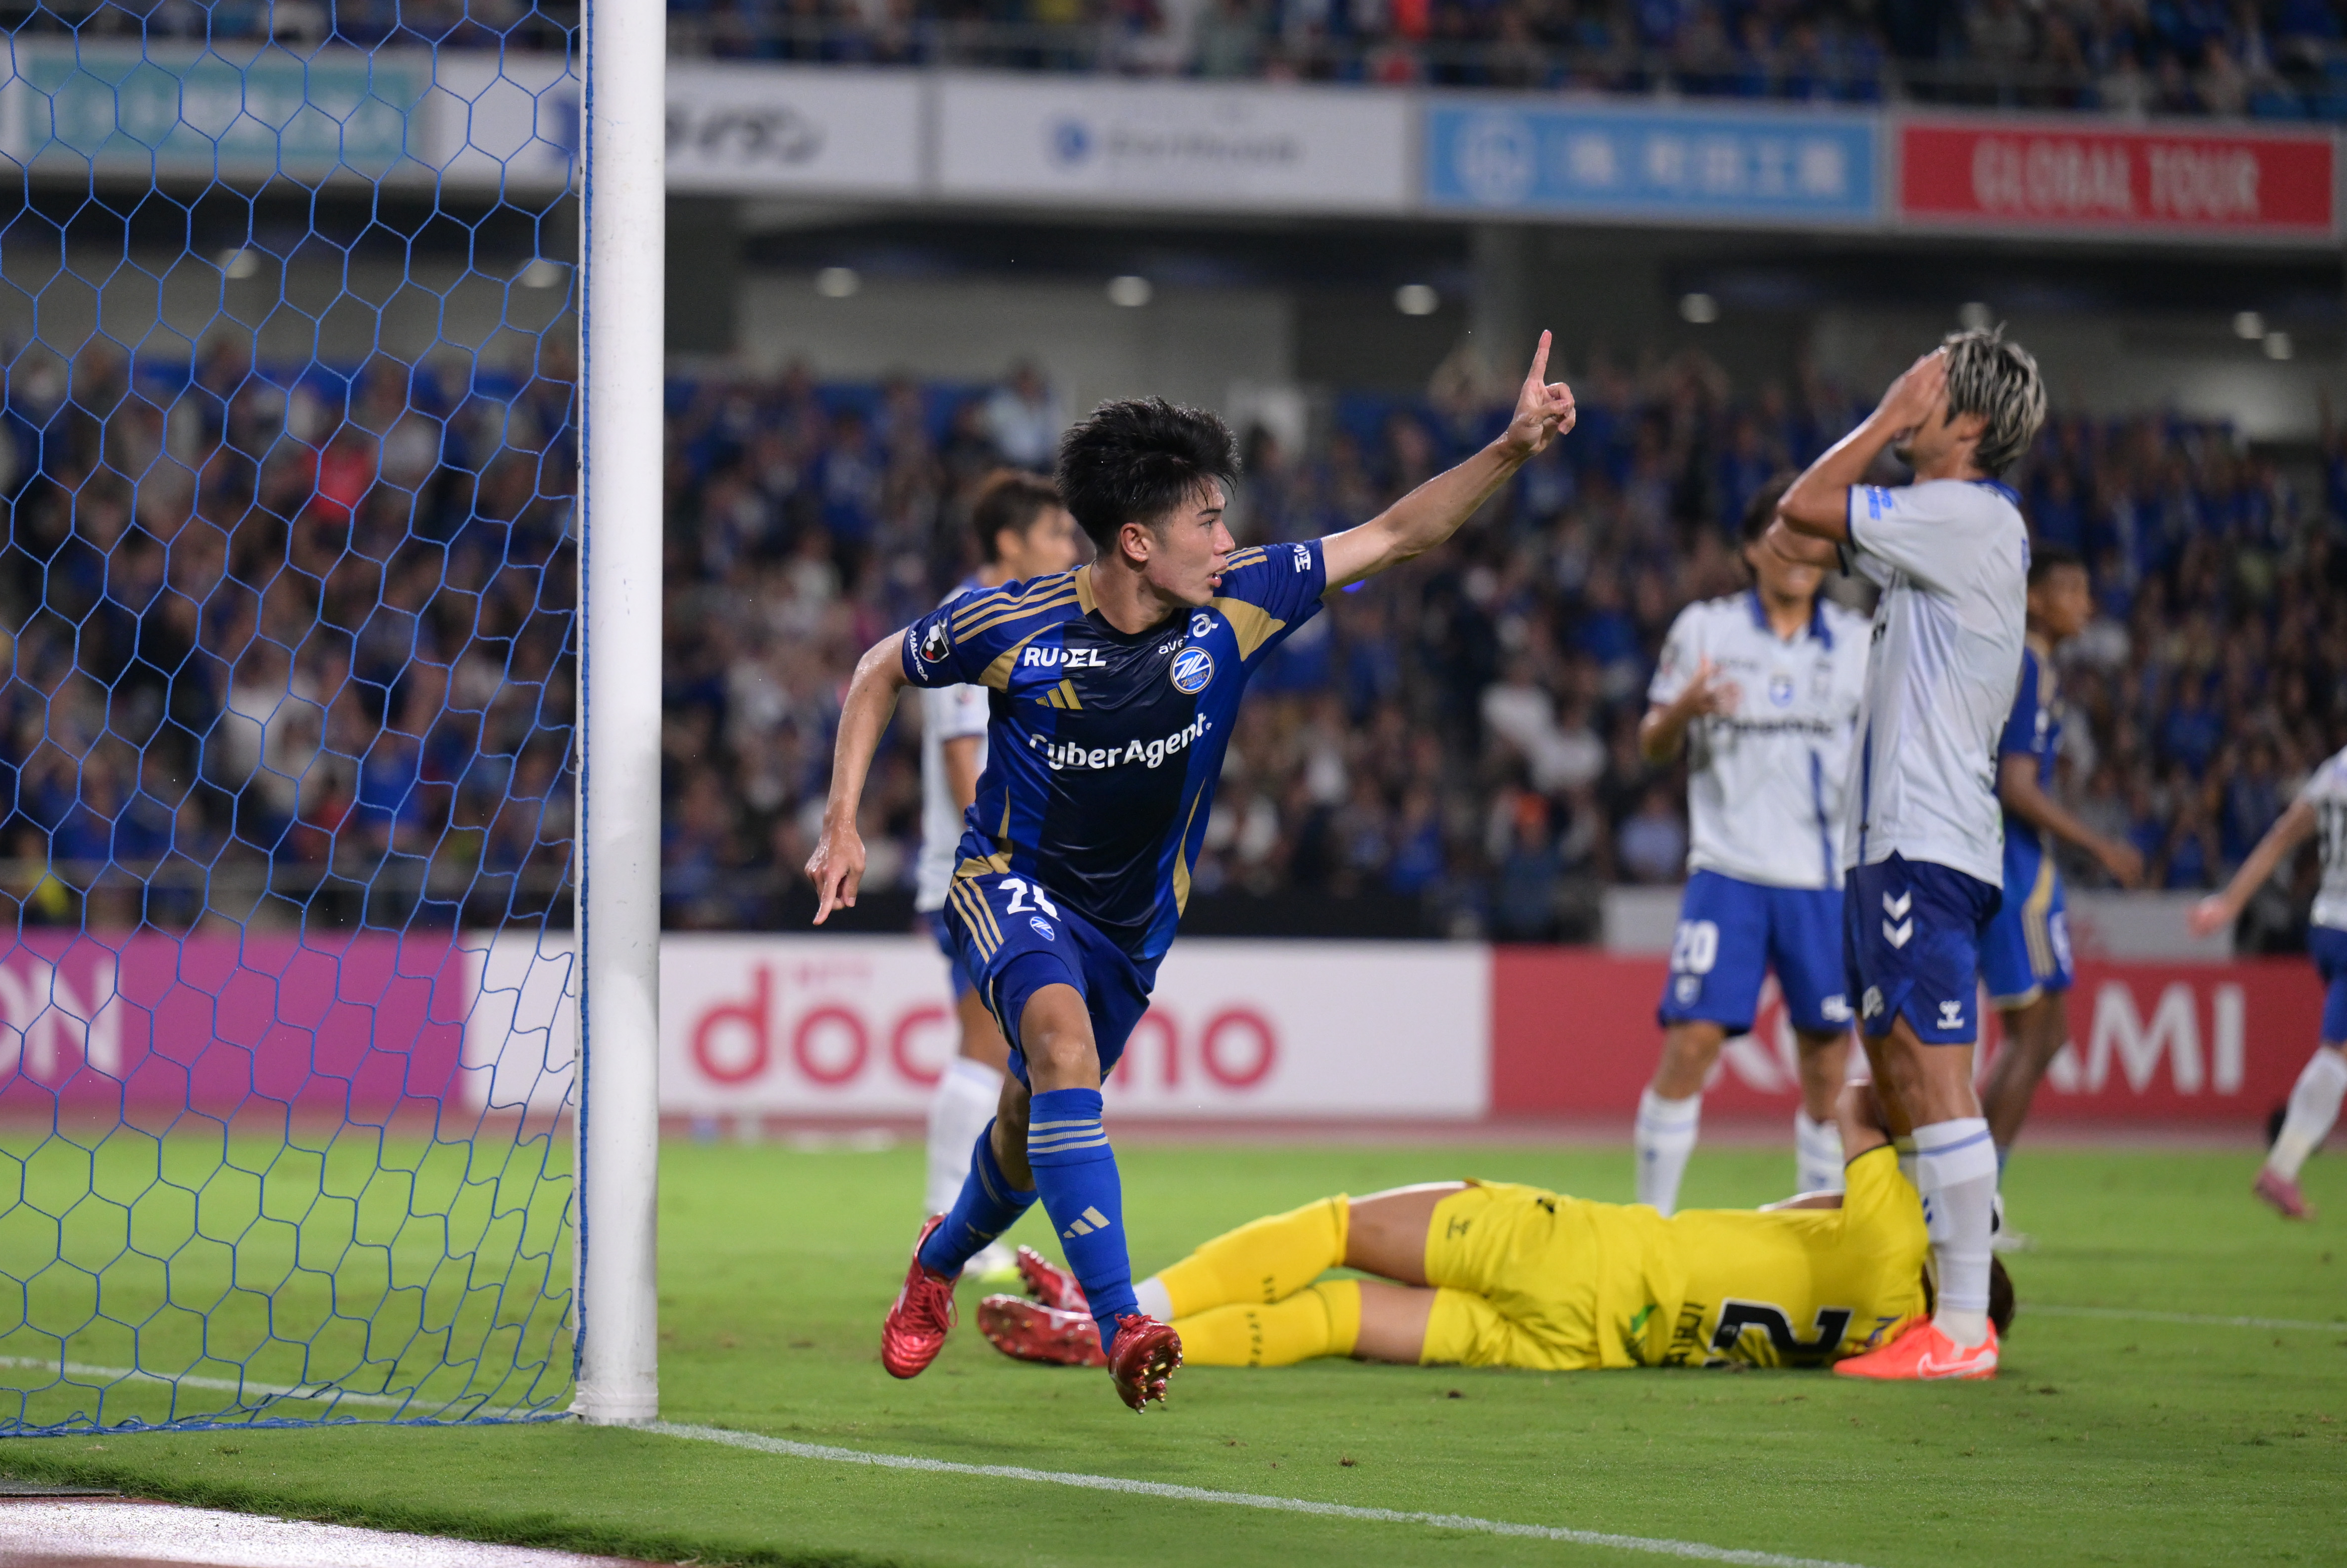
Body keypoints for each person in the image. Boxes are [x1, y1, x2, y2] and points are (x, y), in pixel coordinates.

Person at [806, 337, 1578, 1410]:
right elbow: (877, 668)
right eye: (1207, 522)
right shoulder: (1014, 624)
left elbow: (1400, 532)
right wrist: (842, 823)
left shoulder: (1239, 603)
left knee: (1029, 1126)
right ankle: (1121, 1321)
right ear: (1136, 541)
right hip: (1009, 883)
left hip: (1131, 930)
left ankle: (936, 1260)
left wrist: (1510, 448)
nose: (1227, 540)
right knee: (1061, 1049)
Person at [977, 1083, 2014, 1376]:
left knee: (1335, 1229)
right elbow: (1787, 1228)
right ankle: (1117, 1344)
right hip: (1584, 1346)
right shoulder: (1883, 1334)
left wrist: (1941, 1130)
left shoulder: (1893, 1239)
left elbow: (1860, 1102)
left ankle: (1124, 1310)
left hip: (1581, 1250)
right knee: (1337, 1320)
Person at [1767, 326, 2046, 1380]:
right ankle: (1935, 1297)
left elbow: (1804, 504)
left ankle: (1963, 1325)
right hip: (1898, 843)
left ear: (1965, 422)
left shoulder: (1965, 514)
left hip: (1923, 839)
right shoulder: (1944, 524)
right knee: (1895, 1081)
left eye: (1929, 393)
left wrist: (1883, 415)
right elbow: (1793, 535)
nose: (1909, 402)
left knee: (1928, 1080)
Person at [1635, 475, 1869, 1215]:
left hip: (1823, 880)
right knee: (1691, 1043)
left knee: (1826, 1061)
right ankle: (1650, 1226)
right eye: (1782, 536)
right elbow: (1650, 744)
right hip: (1728, 872)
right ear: (1749, 550)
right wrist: (1684, 707)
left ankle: (1812, 1230)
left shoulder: (1859, 643)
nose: (1798, 552)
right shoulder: (1704, 630)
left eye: (1812, 538)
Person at [914, 472, 1083, 1280]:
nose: (1069, 548)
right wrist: (999, 859)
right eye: (1055, 533)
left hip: (1013, 870)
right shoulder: (966, 622)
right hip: (977, 873)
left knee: (1012, 1052)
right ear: (1010, 542)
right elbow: (963, 757)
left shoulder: (1037, 621)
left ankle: (959, 1220)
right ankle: (947, 1224)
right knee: (985, 1046)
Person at [1975, 546, 2144, 1239]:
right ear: (2034, 599)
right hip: (2016, 869)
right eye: (2069, 589)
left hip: (2019, 866)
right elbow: (2015, 787)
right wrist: (2099, 844)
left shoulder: (2029, 667)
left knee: (2047, 1037)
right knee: (2031, 1035)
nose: (2085, 603)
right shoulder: (2027, 667)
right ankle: (1974, 1205)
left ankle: (1973, 1197)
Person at [2188, 744, 2347, 1220]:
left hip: (2326, 924)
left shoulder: (2335, 770)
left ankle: (2285, 1165)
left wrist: (2229, 902)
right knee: (2337, 1053)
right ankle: (2282, 1168)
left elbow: (2281, 837)